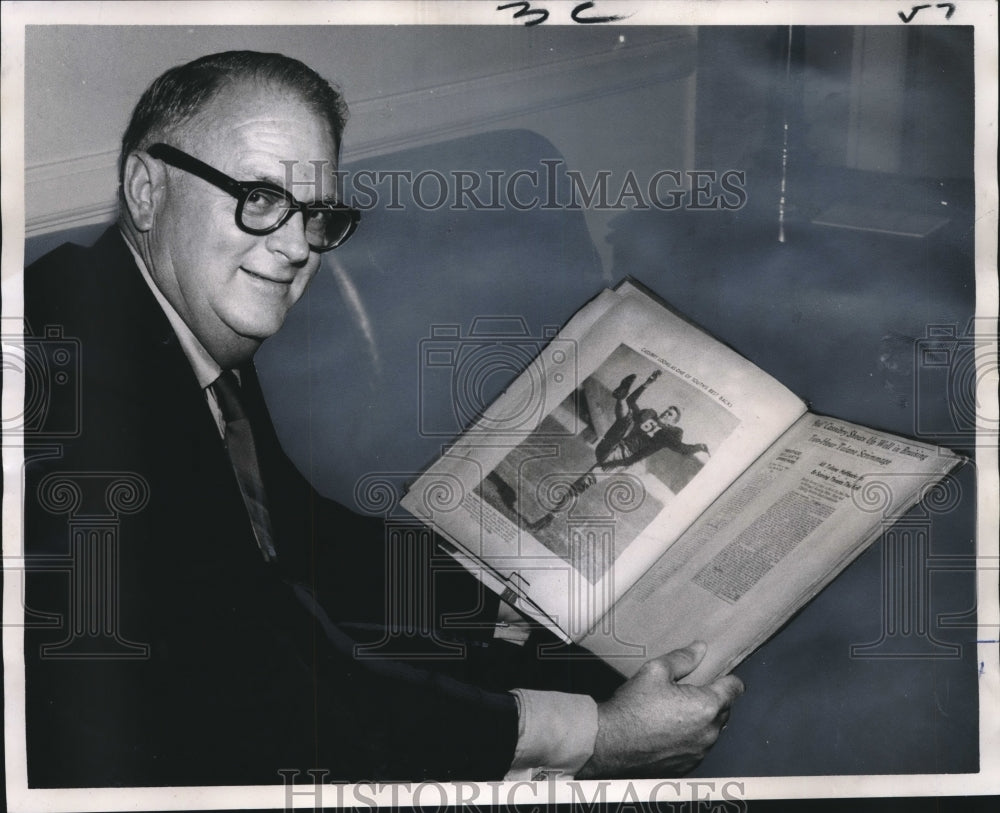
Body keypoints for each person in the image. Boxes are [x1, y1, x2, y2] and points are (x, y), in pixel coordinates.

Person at [21, 50, 742, 787]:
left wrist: (510, 599)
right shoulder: (76, 375)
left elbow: (296, 532)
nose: (298, 245)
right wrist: (599, 735)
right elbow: (272, 689)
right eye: (261, 197)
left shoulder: (167, 321)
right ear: (146, 188)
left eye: (316, 214)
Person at [527, 371, 710, 530]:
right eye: (667, 410)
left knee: (581, 483)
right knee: (628, 415)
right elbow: (633, 401)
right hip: (614, 444)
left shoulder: (669, 433)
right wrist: (647, 383)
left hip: (622, 459)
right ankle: (620, 395)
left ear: (673, 422)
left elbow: (683, 449)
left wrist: (699, 446)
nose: (666, 412)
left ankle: (549, 518)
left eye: (670, 414)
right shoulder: (651, 415)